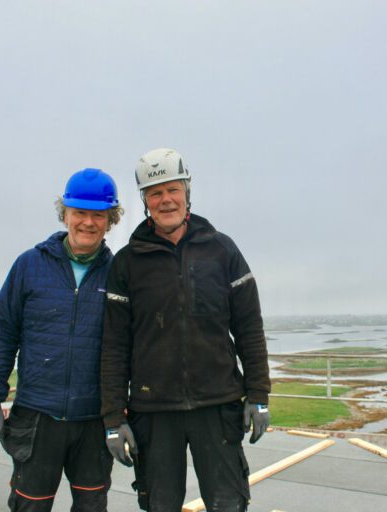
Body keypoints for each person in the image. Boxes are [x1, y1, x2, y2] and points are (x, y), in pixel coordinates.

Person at [100, 148, 271, 512]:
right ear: (144, 200)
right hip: (154, 412)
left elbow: (249, 329)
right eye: (155, 192)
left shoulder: (223, 250)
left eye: (172, 189)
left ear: (187, 191)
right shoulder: (128, 263)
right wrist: (114, 418)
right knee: (160, 506)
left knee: (228, 504)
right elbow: (114, 346)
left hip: (218, 404)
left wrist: (258, 395)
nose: (166, 200)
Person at [0, 168, 123, 512]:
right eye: (79, 213)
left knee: (91, 506)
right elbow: (1, 331)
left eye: (98, 215)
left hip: (93, 420)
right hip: (37, 416)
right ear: (65, 214)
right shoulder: (30, 265)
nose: (88, 223)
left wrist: (123, 418)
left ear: (110, 220)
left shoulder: (119, 274)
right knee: (31, 506)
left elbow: (128, 348)